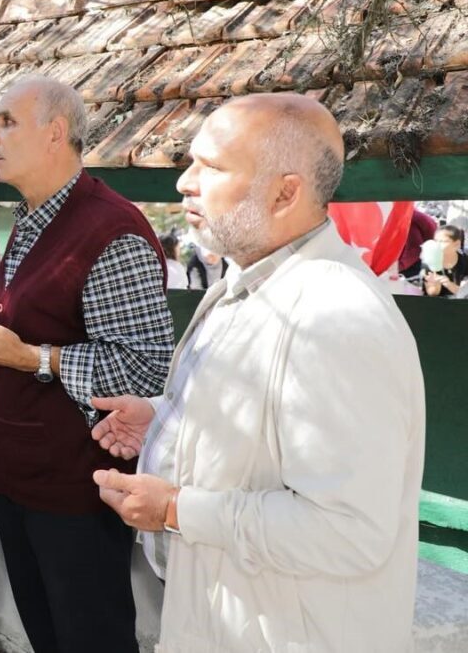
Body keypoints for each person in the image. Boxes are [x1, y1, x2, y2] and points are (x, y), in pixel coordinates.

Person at [90, 93, 425, 652]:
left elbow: (348, 529)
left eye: (212, 166)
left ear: (285, 192)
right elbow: (262, 437)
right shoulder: (241, 287)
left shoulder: (336, 317)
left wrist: (175, 508)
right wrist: (166, 425)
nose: (184, 183)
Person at [0, 75, 173, 653]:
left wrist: (29, 356)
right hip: (21, 483)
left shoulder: (112, 230)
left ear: (56, 134)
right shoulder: (33, 217)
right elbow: (42, 324)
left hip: (77, 494)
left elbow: (144, 370)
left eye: (7, 121)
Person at [422, 224, 468, 297]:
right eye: (436, 241)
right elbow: (432, 294)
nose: (437, 245)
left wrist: (448, 284)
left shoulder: (465, 261)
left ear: (457, 244)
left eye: (442, 241)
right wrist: (434, 285)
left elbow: (465, 293)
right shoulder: (429, 262)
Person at [398, 207, 438, 280]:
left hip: (425, 261)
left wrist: (399, 266)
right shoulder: (411, 212)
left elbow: (414, 250)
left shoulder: (409, 221)